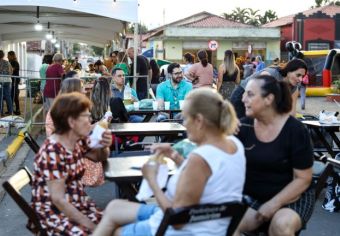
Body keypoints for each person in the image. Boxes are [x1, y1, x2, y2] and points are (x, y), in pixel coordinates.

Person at [92, 87, 246, 236]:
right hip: (212, 223)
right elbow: (207, 184)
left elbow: (177, 221)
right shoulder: (234, 145)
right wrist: (175, 157)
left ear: (199, 120)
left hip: (185, 229)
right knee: (114, 207)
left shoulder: (199, 159)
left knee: (114, 231)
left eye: (186, 118)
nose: (184, 124)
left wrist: (152, 182)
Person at [235, 75, 314, 236]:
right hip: (256, 196)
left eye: (250, 94)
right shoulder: (243, 126)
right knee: (227, 225)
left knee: (281, 226)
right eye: (244, 94)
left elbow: (303, 179)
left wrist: (273, 205)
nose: (243, 99)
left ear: (268, 99)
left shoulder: (295, 130)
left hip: (294, 196)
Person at [31, 92, 112, 235]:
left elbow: (98, 157)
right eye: (86, 116)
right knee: (111, 228)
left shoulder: (75, 140)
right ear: (71, 122)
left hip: (78, 205)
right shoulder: (52, 151)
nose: (91, 120)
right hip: (56, 216)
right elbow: (58, 200)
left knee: (116, 224)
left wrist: (104, 145)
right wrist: (93, 228)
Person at [230, 58, 307, 118]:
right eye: (298, 75)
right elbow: (259, 99)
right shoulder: (270, 74)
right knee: (242, 128)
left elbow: (291, 112)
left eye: (302, 76)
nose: (300, 79)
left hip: (257, 102)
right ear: (288, 71)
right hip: (242, 95)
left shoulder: (294, 88)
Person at [8, 51, 21, 115]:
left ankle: (18, 110)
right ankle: (11, 109)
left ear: (11, 56)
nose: (7, 57)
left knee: (15, 95)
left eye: (8, 55)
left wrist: (7, 70)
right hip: (12, 80)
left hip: (15, 80)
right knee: (11, 95)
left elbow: (13, 70)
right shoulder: (10, 62)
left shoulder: (15, 62)